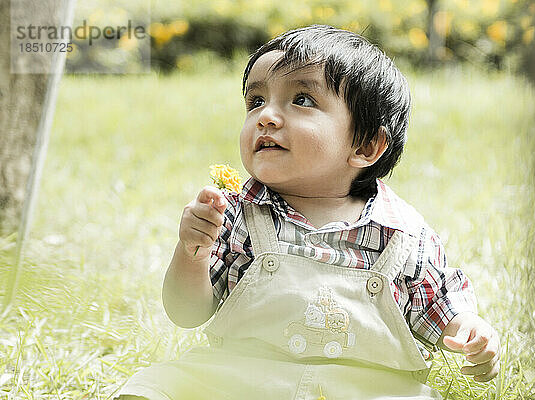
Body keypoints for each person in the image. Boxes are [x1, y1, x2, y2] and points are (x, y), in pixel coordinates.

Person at [116, 25, 500, 400]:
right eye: (256, 101)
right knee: (158, 385)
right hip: (239, 379)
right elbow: (186, 312)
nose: (266, 116)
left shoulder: (402, 234)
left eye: (301, 100)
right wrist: (192, 253)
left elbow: (439, 305)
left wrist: (470, 331)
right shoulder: (235, 213)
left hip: (369, 390)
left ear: (366, 146)